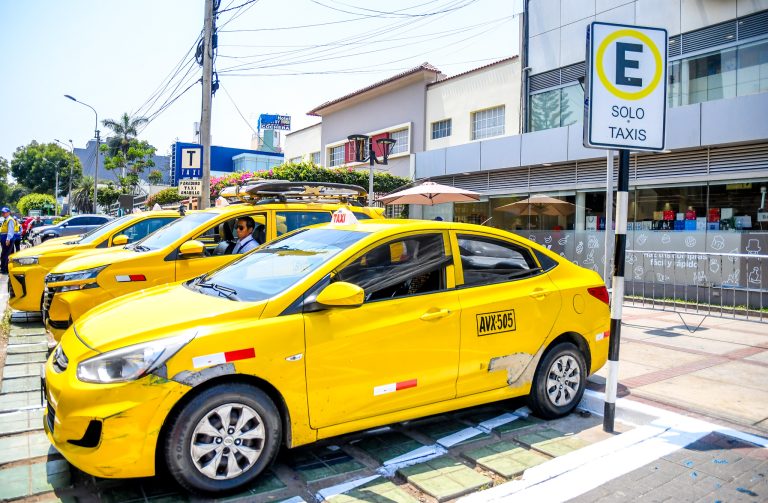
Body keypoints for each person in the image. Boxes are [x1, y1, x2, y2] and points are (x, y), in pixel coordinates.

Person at [0, 207, 18, 273]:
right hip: (4, 238)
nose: (3, 213)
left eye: (4, 212)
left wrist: (8, 239)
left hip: (7, 239)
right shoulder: (6, 219)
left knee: (5, 254)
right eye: (2, 212)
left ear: (8, 213)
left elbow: (10, 231)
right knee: (6, 253)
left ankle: (4, 269)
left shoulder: (10, 220)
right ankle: (5, 268)